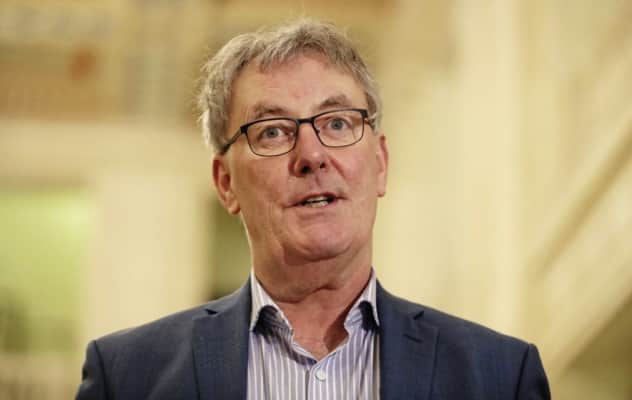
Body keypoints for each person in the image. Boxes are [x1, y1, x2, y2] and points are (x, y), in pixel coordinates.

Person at [76, 19, 550, 399]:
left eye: (338, 123)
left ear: (380, 164)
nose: (312, 154)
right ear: (226, 183)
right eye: (272, 132)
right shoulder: (128, 378)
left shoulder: (499, 377)